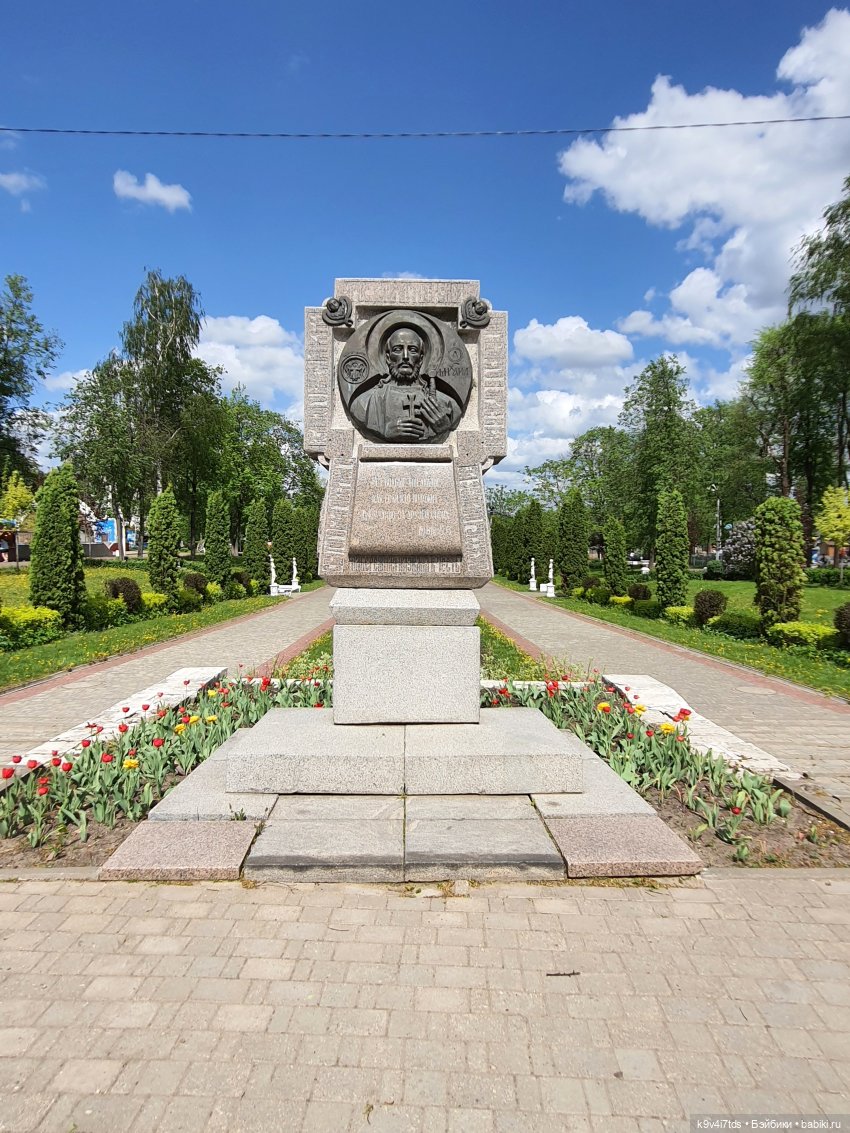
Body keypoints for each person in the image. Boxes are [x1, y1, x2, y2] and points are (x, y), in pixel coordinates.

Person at [349, 327, 461, 444]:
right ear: (387, 357)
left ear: (421, 358)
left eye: (412, 350)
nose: (406, 356)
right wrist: (384, 431)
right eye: (398, 349)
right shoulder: (365, 403)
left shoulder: (447, 404)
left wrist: (443, 427)